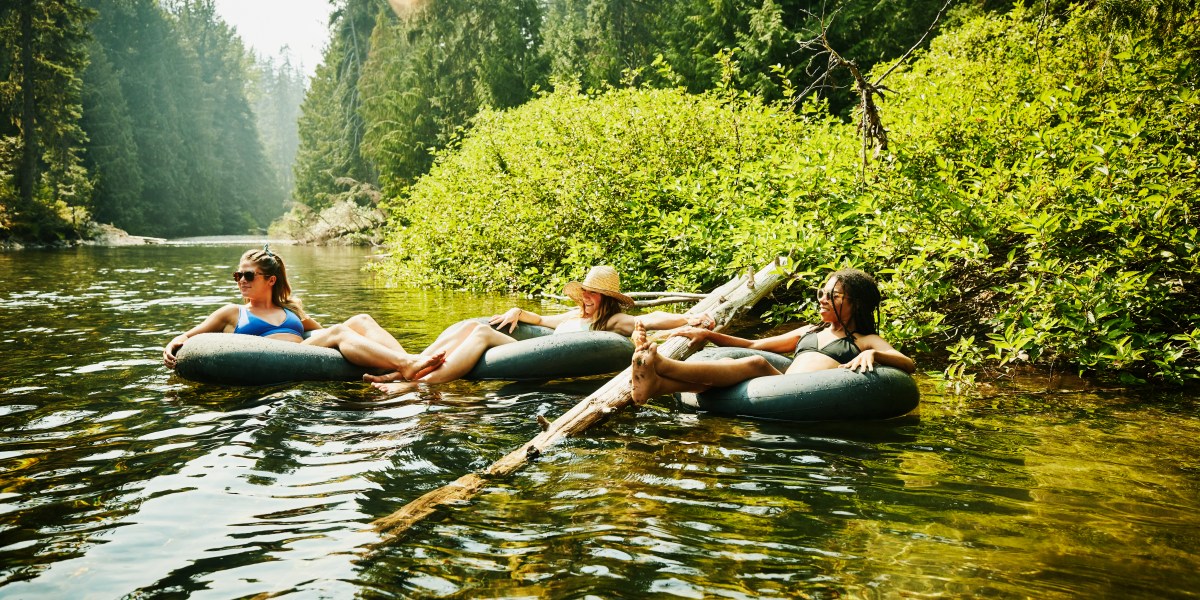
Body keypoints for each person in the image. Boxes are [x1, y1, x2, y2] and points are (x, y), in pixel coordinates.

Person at [368, 265, 714, 389]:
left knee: (482, 333)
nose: (587, 298)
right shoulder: (575, 315)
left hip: (536, 354)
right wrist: (519, 310)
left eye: (593, 294)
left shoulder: (611, 321)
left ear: (607, 298)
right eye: (585, 292)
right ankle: (408, 366)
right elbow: (543, 321)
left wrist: (687, 319)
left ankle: (417, 386)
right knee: (471, 325)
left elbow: (649, 319)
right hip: (531, 346)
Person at [629, 268, 915, 404]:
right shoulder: (810, 331)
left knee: (755, 363)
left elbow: (908, 363)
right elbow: (754, 343)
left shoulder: (863, 341)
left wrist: (873, 353)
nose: (823, 299)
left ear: (857, 304)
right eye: (822, 293)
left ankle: (662, 365)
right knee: (730, 368)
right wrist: (707, 335)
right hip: (779, 386)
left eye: (833, 296)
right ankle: (656, 385)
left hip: (806, 394)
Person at [162, 246, 444, 379]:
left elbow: (323, 334)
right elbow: (190, 336)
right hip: (270, 357)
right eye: (238, 275)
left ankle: (406, 366)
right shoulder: (232, 313)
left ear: (270, 280)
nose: (241, 281)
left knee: (361, 320)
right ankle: (405, 364)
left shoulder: (291, 310)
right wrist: (173, 343)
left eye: (248, 275)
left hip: (304, 353)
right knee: (339, 331)